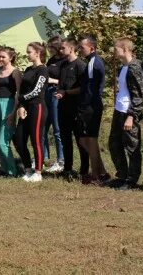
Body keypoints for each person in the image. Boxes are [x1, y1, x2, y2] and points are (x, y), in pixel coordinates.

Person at [108, 38, 143, 190]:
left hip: (128, 113)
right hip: (119, 110)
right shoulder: (123, 67)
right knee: (114, 144)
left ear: (125, 49)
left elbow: (139, 95)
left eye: (116, 49)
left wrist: (132, 115)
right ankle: (122, 176)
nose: (114, 52)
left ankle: (132, 180)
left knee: (132, 147)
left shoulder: (134, 67)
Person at [13, 42, 49, 182]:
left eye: (29, 52)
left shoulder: (43, 70)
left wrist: (21, 98)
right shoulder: (28, 69)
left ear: (37, 53)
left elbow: (37, 90)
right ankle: (28, 169)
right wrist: (21, 105)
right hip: (25, 108)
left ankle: (38, 172)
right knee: (19, 139)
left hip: (37, 107)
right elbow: (22, 89)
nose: (27, 54)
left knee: (36, 140)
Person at [76, 36, 110, 185]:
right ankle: (102, 172)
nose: (80, 50)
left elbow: (91, 88)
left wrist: (85, 105)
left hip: (91, 106)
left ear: (92, 47)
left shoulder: (94, 63)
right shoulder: (90, 62)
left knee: (91, 140)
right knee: (84, 140)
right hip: (87, 105)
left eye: (82, 47)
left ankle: (96, 175)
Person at [54, 38, 88, 180]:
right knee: (65, 139)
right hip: (62, 108)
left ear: (72, 49)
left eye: (63, 48)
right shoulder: (63, 65)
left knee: (80, 140)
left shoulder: (81, 65)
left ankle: (84, 171)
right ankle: (67, 169)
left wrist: (66, 93)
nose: (60, 51)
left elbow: (83, 88)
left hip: (76, 109)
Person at [0, 47, 22, 177]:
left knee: (4, 141)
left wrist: (13, 112)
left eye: (3, 56)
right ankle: (4, 168)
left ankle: (12, 171)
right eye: (0, 56)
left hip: (9, 105)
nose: (0, 59)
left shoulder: (15, 72)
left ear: (11, 57)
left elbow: (19, 94)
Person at [42, 36, 66, 172]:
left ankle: (61, 160)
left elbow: (64, 81)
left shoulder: (64, 62)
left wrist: (51, 80)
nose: (49, 50)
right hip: (47, 93)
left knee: (57, 129)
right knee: (44, 127)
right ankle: (44, 157)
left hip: (57, 94)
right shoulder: (51, 60)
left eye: (51, 47)